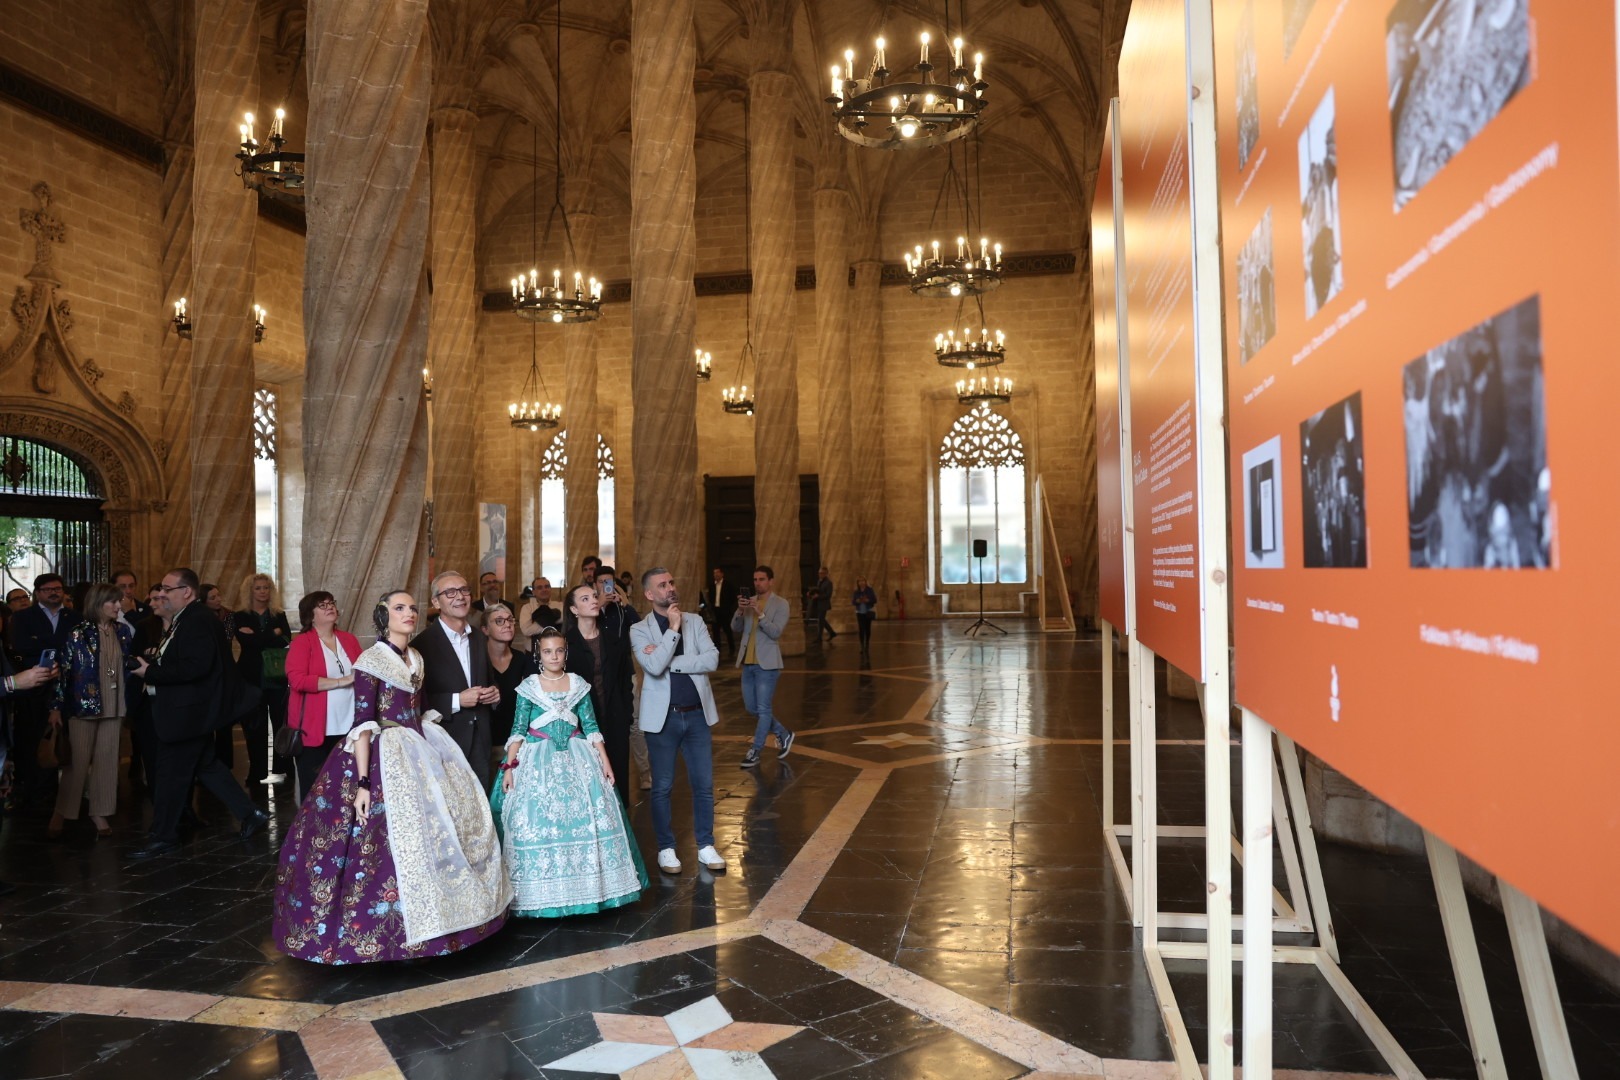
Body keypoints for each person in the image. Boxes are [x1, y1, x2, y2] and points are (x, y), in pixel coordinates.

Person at [271, 590, 510, 964]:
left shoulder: (415, 656)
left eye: (413, 609)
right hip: (385, 754)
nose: (409, 614)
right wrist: (363, 783)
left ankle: (451, 919)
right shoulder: (371, 660)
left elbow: (424, 707)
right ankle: (384, 934)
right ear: (384, 616)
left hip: (421, 744)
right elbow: (363, 724)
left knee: (448, 826)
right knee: (384, 844)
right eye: (399, 609)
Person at [492, 628, 647, 917]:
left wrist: (605, 763)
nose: (554, 656)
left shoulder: (578, 684)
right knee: (540, 821)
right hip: (537, 760)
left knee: (589, 818)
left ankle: (589, 889)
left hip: (579, 759)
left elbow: (591, 727)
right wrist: (509, 768)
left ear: (566, 652)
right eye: (548, 651)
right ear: (539, 654)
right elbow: (518, 729)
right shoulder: (529, 686)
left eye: (559, 650)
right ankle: (542, 894)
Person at [131, 568, 267, 859]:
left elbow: (196, 667)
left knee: (170, 775)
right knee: (208, 766)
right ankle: (250, 813)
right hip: (188, 712)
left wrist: (151, 672)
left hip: (187, 714)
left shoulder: (197, 620)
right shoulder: (188, 619)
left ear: (186, 591)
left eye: (168, 589)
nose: (162, 594)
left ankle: (163, 836)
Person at [631, 567, 725, 875]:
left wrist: (670, 659)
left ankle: (706, 845)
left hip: (697, 715)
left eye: (672, 582)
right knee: (662, 787)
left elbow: (711, 659)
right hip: (663, 720)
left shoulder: (695, 621)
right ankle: (666, 848)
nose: (671, 588)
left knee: (704, 784)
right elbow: (653, 668)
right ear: (649, 594)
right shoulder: (639, 630)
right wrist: (672, 629)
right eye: (662, 585)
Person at [46, 583, 132, 839]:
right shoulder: (78, 633)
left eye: (120, 601)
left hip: (115, 703)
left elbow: (127, 667)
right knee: (77, 762)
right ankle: (62, 811)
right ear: (98, 604)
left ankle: (100, 811)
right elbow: (63, 673)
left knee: (108, 762)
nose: (119, 606)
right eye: (113, 602)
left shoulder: (123, 632)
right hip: (83, 705)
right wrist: (55, 707)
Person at [412, 571, 498, 788]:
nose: (459, 596)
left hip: (481, 738)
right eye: (450, 592)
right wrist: (457, 700)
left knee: (482, 807)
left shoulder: (478, 637)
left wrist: (495, 692)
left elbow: (490, 679)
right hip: (445, 738)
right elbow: (415, 701)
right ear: (435, 601)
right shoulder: (422, 645)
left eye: (464, 590)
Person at [9, 573, 82, 808]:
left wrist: (43, 642)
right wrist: (56, 644)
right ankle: (33, 791)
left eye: (58, 588)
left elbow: (77, 647)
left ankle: (60, 793)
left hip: (68, 687)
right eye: (48, 589)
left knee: (63, 739)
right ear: (38, 592)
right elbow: (21, 646)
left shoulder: (74, 617)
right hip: (33, 689)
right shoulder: (22, 617)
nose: (54, 592)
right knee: (32, 739)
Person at [284, 591, 361, 801]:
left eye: (331, 603)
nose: (329, 607)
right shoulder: (303, 643)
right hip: (315, 729)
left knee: (346, 787)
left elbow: (362, 673)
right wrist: (341, 681)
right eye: (322, 605)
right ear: (310, 615)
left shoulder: (348, 639)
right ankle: (311, 832)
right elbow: (298, 680)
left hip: (349, 725)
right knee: (316, 791)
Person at [563, 583, 636, 806]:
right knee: (587, 778)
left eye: (594, 596)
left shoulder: (614, 639)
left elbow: (625, 681)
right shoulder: (565, 643)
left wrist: (626, 714)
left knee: (618, 776)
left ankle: (622, 830)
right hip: (581, 724)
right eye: (585, 599)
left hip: (615, 719)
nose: (594, 600)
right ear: (574, 609)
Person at [233, 573, 292, 787]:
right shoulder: (239, 616)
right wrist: (271, 634)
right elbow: (247, 643)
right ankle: (256, 770)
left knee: (280, 722)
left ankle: (283, 767)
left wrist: (261, 635)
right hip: (250, 677)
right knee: (254, 726)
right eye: (258, 588)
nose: (263, 591)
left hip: (276, 675)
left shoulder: (279, 614)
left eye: (266, 587)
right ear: (251, 591)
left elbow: (285, 639)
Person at [595, 566, 650, 788]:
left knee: (635, 723)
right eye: (601, 582)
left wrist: (624, 603)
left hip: (626, 674)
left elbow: (640, 628)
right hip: (599, 678)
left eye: (610, 582)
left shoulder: (622, 609)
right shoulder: (592, 607)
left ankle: (645, 773)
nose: (606, 586)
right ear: (595, 585)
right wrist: (600, 604)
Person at [733, 565, 793, 769]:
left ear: (771, 581)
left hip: (767, 664)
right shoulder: (750, 602)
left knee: (764, 708)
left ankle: (755, 751)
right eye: (755, 579)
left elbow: (776, 632)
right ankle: (784, 734)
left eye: (762, 579)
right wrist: (741, 610)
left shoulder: (781, 604)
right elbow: (736, 628)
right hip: (748, 663)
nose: (757, 583)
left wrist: (761, 614)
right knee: (752, 708)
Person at [484, 602, 536, 750]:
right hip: (485, 743)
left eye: (510, 620)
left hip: (517, 741)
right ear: (485, 630)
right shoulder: (476, 660)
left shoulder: (523, 660)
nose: (507, 625)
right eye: (499, 621)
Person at [699, 567, 736, 658]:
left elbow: (733, 598)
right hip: (715, 612)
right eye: (714, 573)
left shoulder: (728, 585)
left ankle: (732, 649)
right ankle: (717, 651)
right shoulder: (712, 586)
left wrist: (729, 609)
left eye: (717, 572)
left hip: (725, 612)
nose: (716, 575)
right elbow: (710, 598)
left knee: (728, 631)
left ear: (722, 574)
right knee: (716, 633)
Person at [517, 577, 561, 647]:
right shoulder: (527, 608)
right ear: (533, 592)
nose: (544, 590)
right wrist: (554, 622)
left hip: (557, 648)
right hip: (532, 651)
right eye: (540, 588)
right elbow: (527, 631)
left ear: (550, 589)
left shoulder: (560, 606)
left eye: (547, 586)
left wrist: (538, 622)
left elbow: (566, 623)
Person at [808, 567, 837, 641]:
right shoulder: (819, 581)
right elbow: (818, 590)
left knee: (821, 620)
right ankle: (832, 632)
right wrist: (811, 593)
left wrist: (818, 596)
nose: (820, 575)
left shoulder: (828, 583)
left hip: (824, 604)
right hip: (818, 603)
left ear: (826, 573)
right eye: (819, 573)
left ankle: (819, 637)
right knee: (822, 619)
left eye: (822, 573)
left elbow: (828, 595)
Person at [852, 577, 878, 657]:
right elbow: (853, 601)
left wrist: (868, 600)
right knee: (861, 629)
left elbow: (874, 600)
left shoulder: (869, 590)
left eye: (863, 581)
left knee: (867, 628)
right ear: (858, 583)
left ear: (865, 582)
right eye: (860, 581)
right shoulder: (856, 591)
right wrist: (857, 601)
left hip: (868, 611)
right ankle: (862, 646)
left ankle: (867, 644)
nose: (861, 583)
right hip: (859, 612)